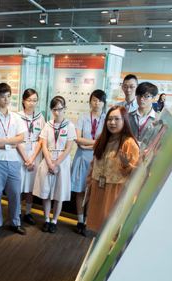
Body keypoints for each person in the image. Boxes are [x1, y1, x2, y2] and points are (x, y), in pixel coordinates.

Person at [85, 106, 140, 234]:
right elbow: (94, 163)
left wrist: (127, 165)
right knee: (98, 229)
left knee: (110, 230)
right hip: (98, 187)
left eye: (116, 119)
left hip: (115, 190)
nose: (112, 122)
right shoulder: (103, 139)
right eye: (109, 119)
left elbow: (137, 174)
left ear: (124, 120)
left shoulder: (129, 143)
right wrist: (89, 183)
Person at [0, 83, 26, 236]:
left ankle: (15, 222)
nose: (6, 99)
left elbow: (22, 137)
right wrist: (11, 142)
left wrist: (5, 142)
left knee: (15, 193)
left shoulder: (16, 117)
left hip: (14, 161)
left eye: (9, 96)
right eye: (3, 97)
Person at [33, 96, 76, 233]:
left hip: (62, 163)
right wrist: (50, 163)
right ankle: (46, 219)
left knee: (59, 193)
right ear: (51, 110)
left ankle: (55, 220)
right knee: (45, 192)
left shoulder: (70, 125)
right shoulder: (47, 125)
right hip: (48, 160)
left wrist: (56, 163)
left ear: (65, 108)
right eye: (55, 109)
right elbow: (43, 145)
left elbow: (69, 148)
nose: (57, 112)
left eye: (60, 109)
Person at [70, 89, 106, 235]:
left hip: (97, 159)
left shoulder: (107, 118)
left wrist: (89, 144)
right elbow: (78, 139)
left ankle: (87, 221)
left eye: (99, 100)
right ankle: (79, 220)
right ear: (90, 101)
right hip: (81, 158)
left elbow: (105, 141)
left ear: (104, 103)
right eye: (94, 100)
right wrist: (96, 142)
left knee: (91, 192)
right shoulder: (83, 117)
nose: (96, 103)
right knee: (80, 191)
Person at [16, 88, 45, 225]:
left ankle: (27, 212)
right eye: (29, 100)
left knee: (30, 186)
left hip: (35, 154)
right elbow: (15, 139)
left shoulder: (40, 117)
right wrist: (25, 158)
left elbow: (41, 139)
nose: (32, 103)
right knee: (19, 185)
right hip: (20, 152)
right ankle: (16, 212)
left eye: (34, 100)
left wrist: (32, 158)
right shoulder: (17, 116)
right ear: (23, 100)